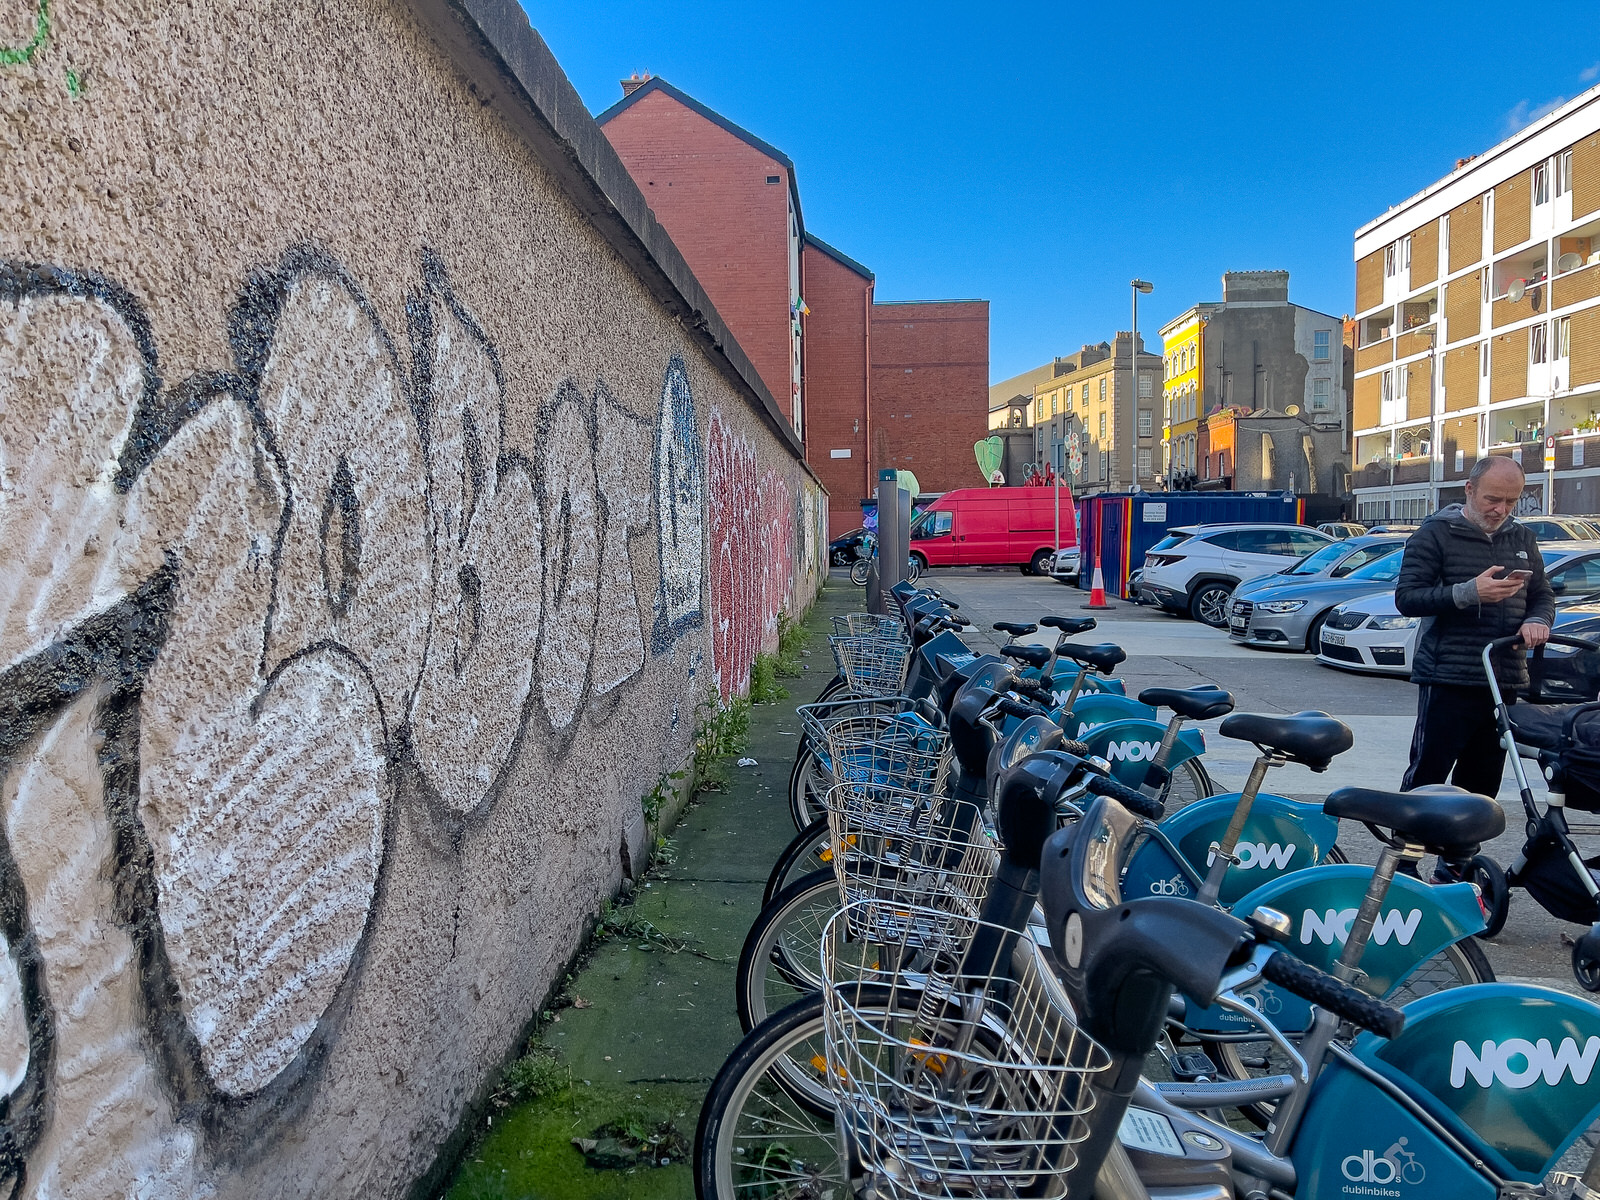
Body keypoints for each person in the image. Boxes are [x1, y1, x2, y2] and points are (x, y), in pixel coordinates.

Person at [1394, 456, 1553, 803]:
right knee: (1427, 776)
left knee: (1482, 785)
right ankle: (1404, 857)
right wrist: (1469, 592)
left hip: (1503, 678)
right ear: (1469, 489)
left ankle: (1459, 858)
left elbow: (1542, 595)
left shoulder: (1522, 538)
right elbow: (1407, 599)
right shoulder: (1435, 534)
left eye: (1511, 501)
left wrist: (1538, 620)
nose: (1501, 509)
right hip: (1447, 677)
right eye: (1492, 499)